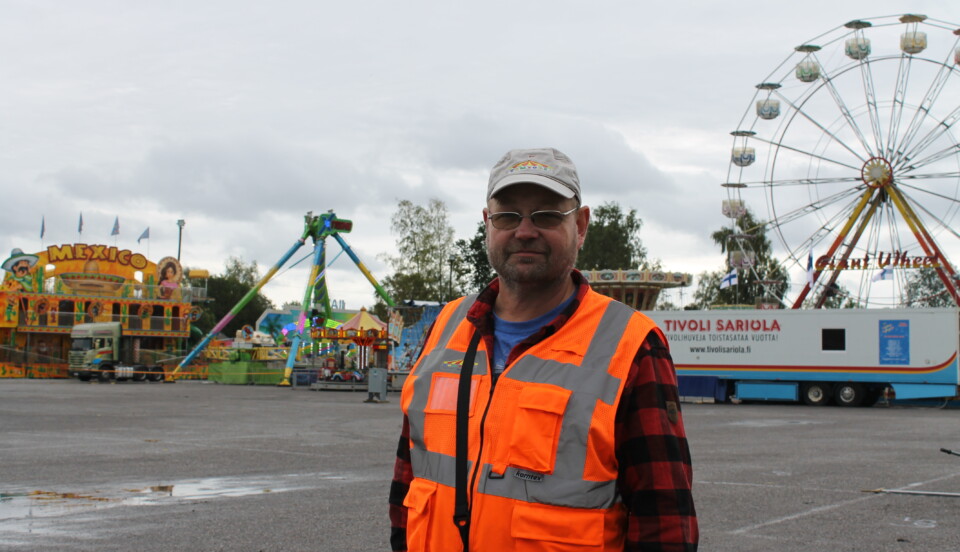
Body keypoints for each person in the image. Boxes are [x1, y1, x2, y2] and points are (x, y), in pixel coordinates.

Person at [389, 148, 698, 551]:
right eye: (508, 216)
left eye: (548, 216)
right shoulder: (446, 327)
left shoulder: (631, 346)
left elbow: (665, 523)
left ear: (581, 224)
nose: (525, 230)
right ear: (488, 223)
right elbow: (408, 482)